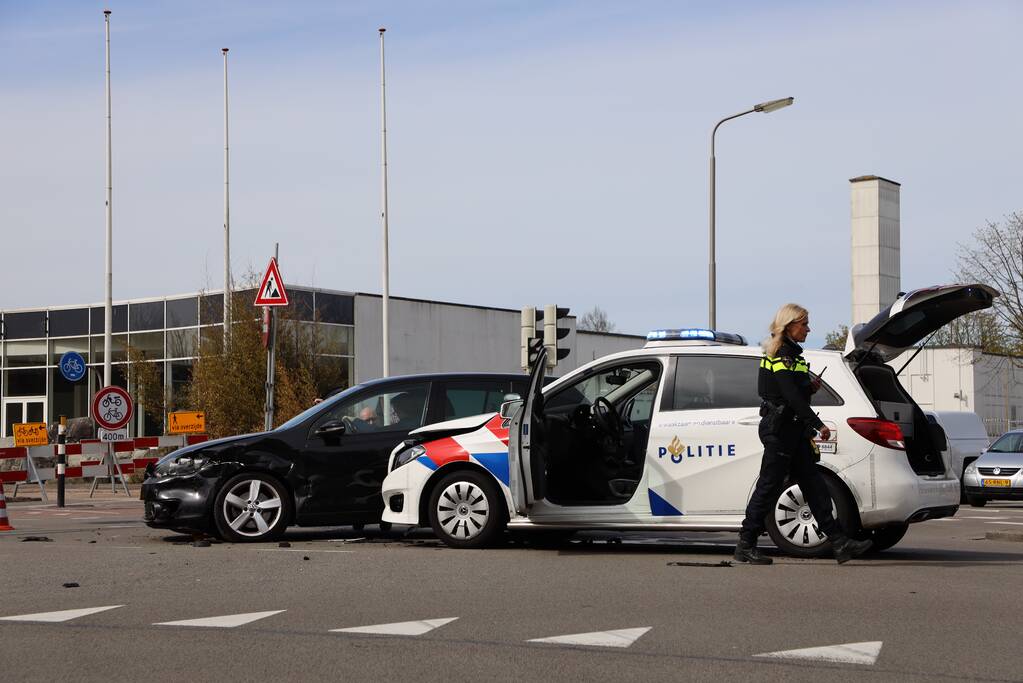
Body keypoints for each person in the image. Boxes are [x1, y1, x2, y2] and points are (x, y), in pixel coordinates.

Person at [734, 303, 873, 565]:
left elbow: (794, 392)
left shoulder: (793, 356)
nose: (809, 329)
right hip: (781, 431)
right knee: (768, 486)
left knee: (814, 485)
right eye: (804, 324)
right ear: (790, 325)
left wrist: (810, 387)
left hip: (793, 430)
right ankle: (746, 544)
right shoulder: (780, 354)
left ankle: (839, 543)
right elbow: (789, 396)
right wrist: (817, 423)